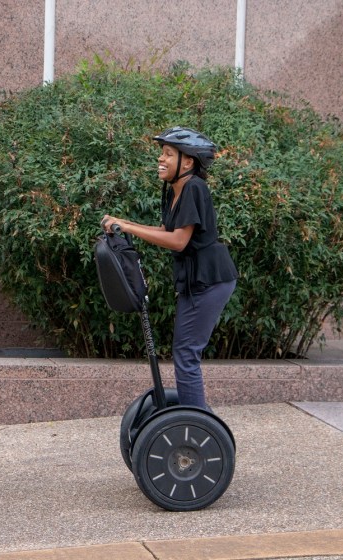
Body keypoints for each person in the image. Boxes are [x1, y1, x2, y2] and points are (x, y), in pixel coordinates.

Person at [102, 126, 238, 410]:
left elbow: (178, 241)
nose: (160, 160)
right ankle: (193, 419)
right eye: (161, 154)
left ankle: (197, 425)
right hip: (194, 280)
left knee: (186, 353)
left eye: (168, 154)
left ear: (187, 162)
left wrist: (128, 227)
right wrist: (124, 224)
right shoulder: (173, 190)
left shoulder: (193, 188)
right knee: (184, 352)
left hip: (211, 280)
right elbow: (165, 230)